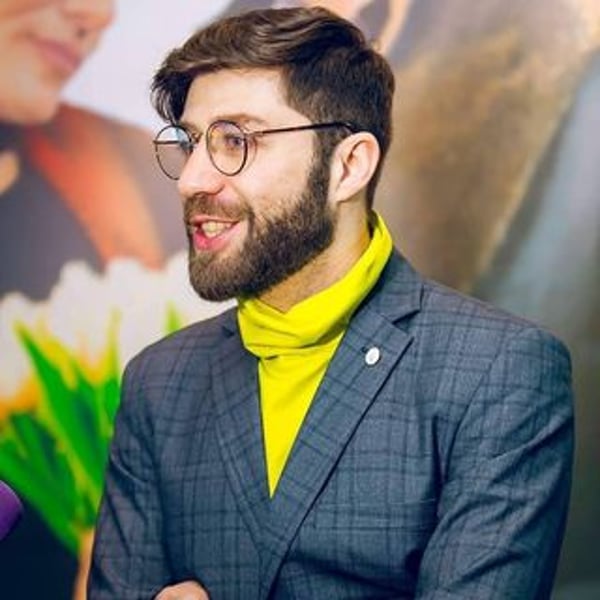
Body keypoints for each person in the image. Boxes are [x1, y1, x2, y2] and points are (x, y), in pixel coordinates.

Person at [88, 7, 574, 599]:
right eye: (191, 143)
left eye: (235, 141)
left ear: (349, 166)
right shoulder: (159, 381)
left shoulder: (500, 371)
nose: (192, 179)